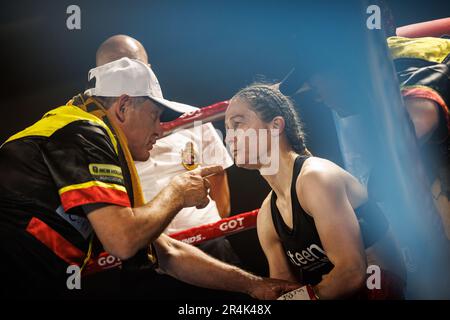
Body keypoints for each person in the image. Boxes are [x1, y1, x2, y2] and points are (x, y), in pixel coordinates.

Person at [0, 58, 298, 299]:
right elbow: (123, 241)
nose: (161, 129)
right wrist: (177, 192)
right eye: (155, 116)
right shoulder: (85, 131)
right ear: (123, 106)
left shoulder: (93, 144)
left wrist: (255, 285)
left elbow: (166, 251)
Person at [224, 84, 406, 299]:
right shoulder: (268, 215)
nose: (229, 138)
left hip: (383, 288)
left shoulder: (315, 178)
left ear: (275, 126)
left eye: (237, 124)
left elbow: (352, 272)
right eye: (226, 129)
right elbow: (285, 290)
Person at [95, 35, 240, 265]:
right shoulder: (94, 137)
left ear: (148, 70)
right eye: (114, 70)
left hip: (208, 243)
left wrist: (215, 228)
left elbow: (218, 173)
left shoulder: (192, 117)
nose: (124, 75)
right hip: (149, 252)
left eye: (131, 66)